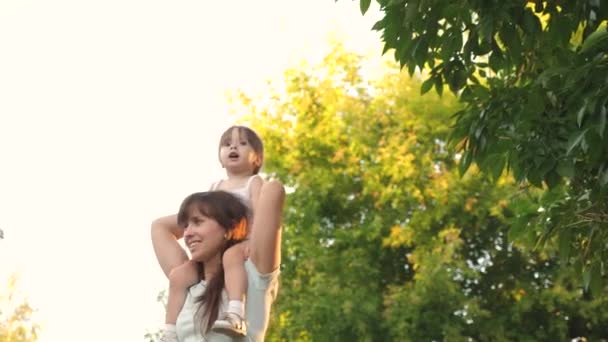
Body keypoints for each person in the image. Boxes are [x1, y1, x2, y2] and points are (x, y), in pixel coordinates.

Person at [151, 127, 284, 341]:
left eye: (197, 222)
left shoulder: (252, 274)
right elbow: (159, 226)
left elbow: (273, 193)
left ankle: (235, 313)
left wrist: (249, 237)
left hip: (241, 243)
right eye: (186, 225)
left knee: (231, 256)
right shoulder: (190, 282)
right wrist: (196, 212)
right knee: (177, 275)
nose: (187, 233)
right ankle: (169, 333)